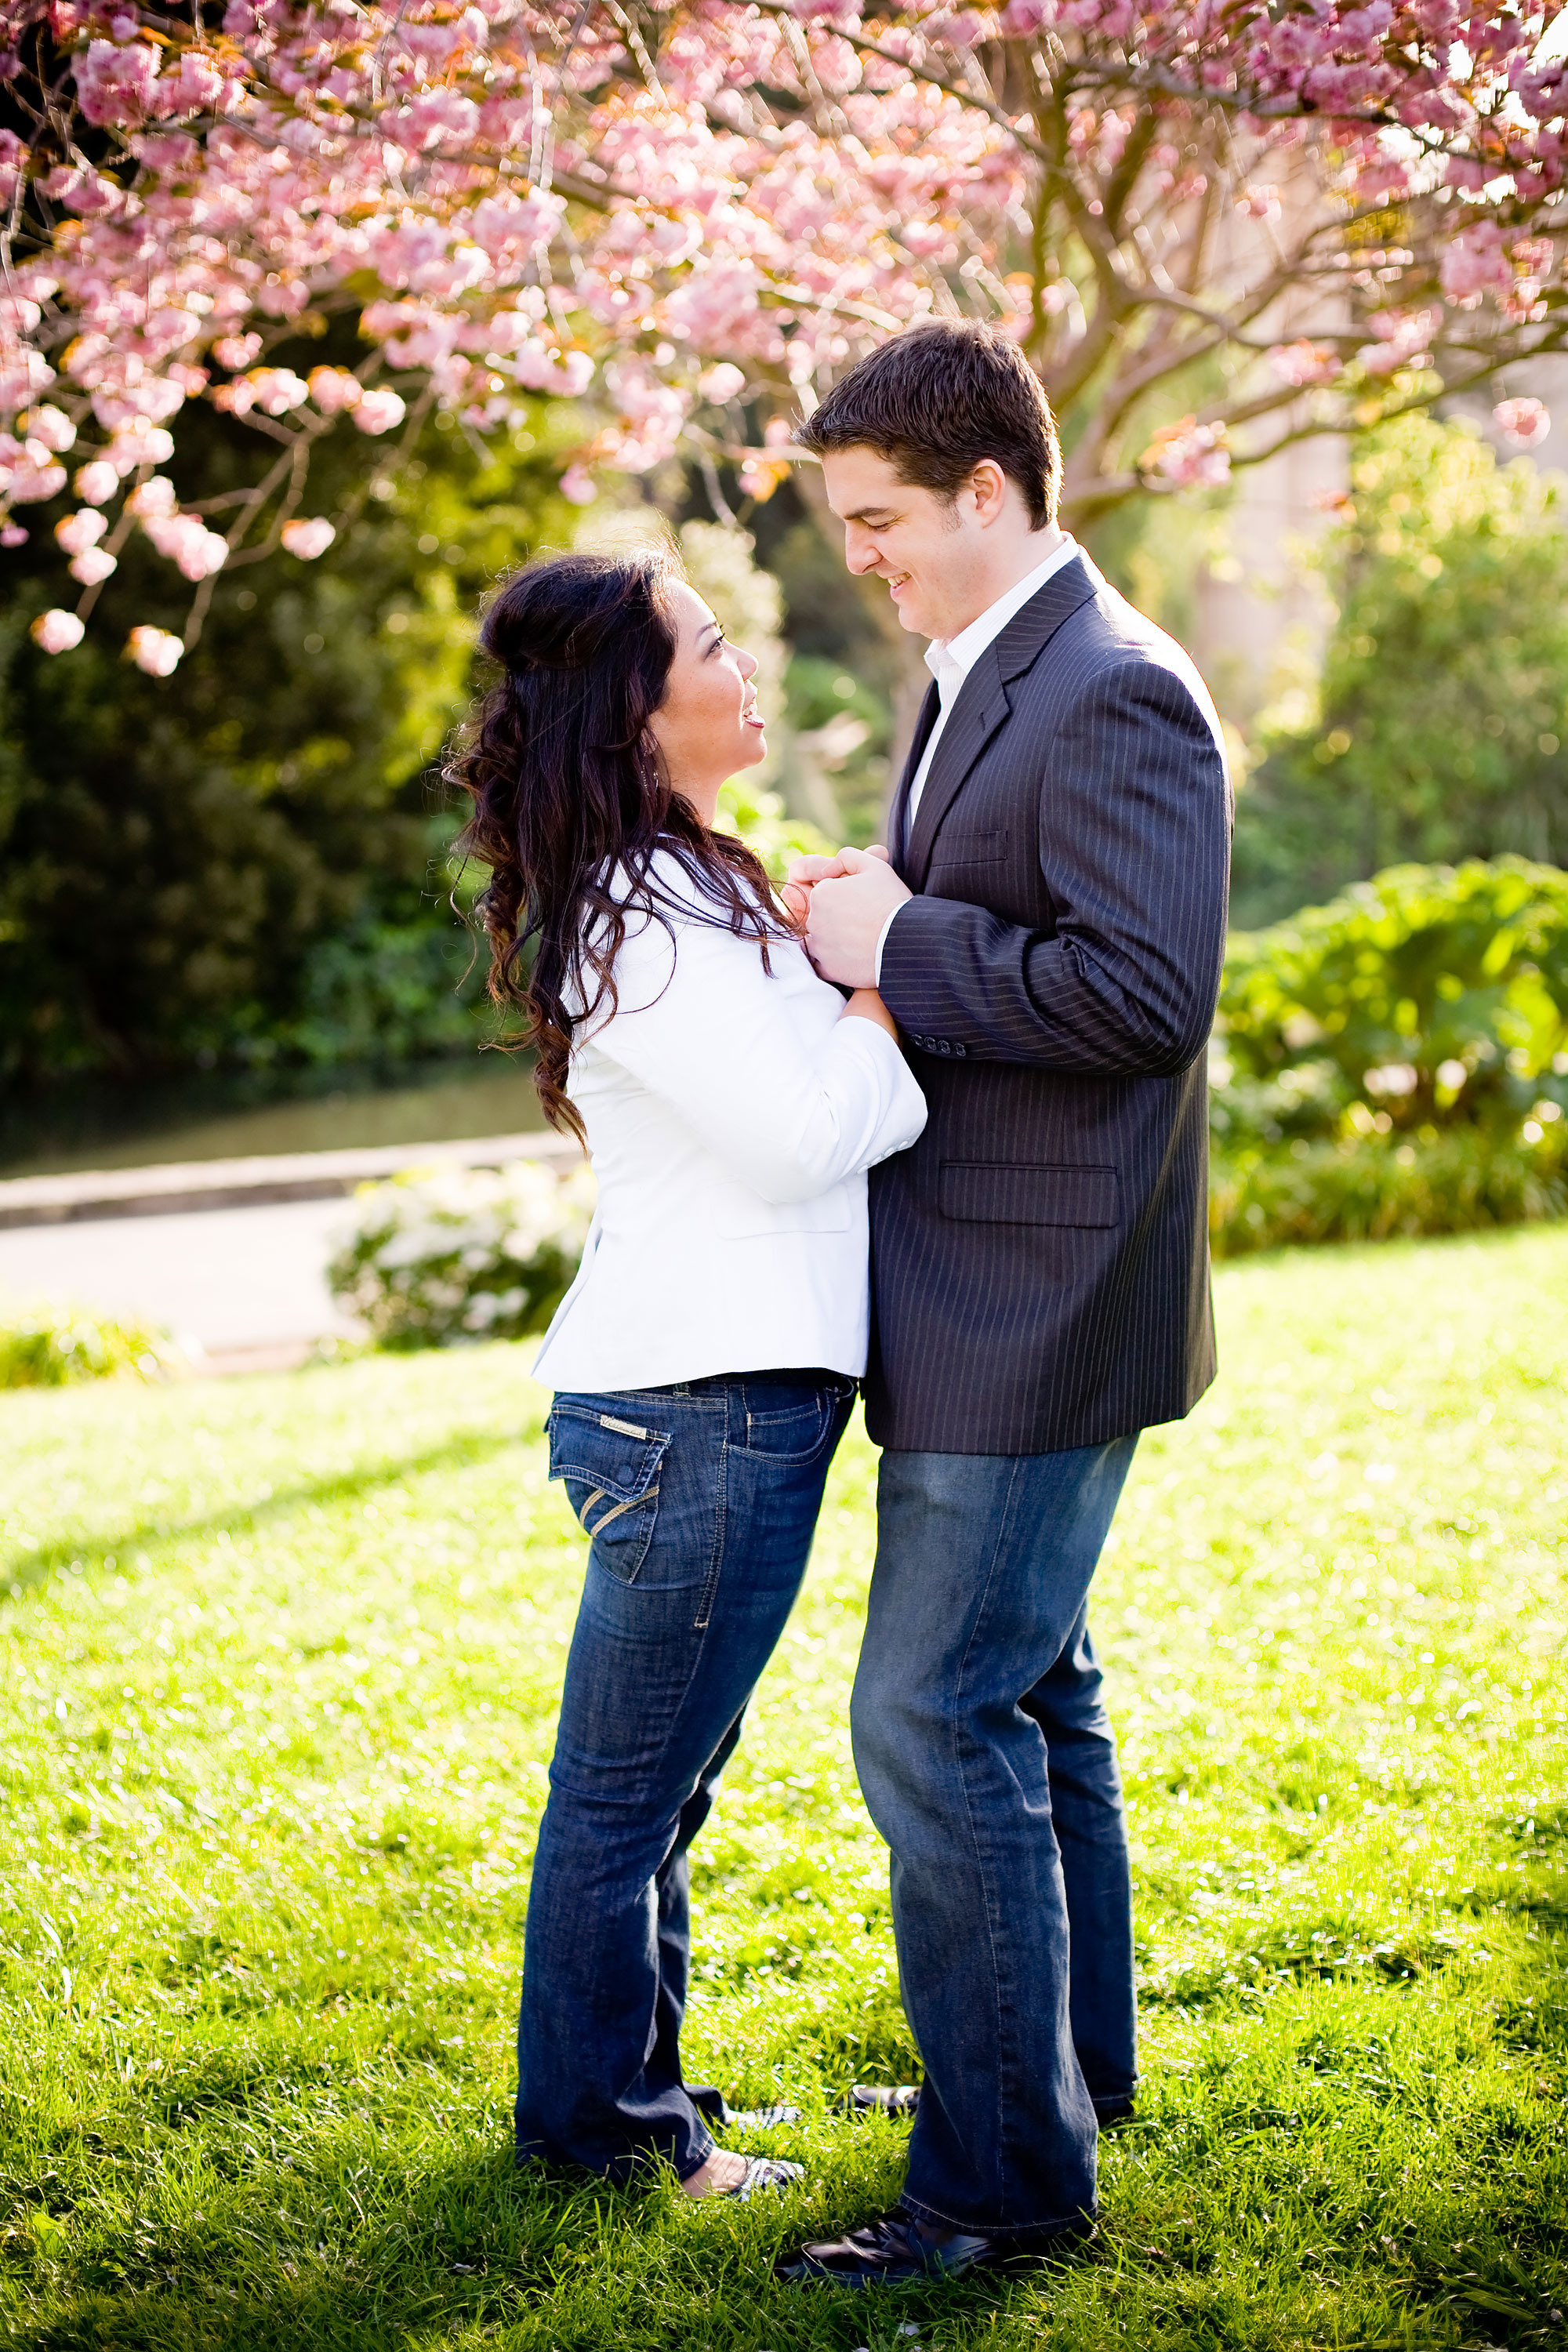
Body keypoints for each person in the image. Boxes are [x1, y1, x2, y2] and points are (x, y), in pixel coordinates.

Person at [777, 321, 1232, 2286]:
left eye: (883, 522)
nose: (860, 559)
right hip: (982, 1275)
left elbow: (1144, 999)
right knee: (1032, 1700)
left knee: (929, 1710)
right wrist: (874, 925)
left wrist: (906, 935)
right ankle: (1047, 2074)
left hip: (1037, 1299)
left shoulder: (1115, 687)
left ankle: (998, 2190)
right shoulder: (980, 667)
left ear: (990, 491)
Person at [452, 546, 927, 2203]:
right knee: (622, 1803)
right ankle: (603, 2138)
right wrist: (883, 985)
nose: (744, 662)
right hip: (696, 1415)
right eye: (712, 643)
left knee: (652, 1794)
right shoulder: (639, 918)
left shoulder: (682, 885)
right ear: (635, 711)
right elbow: (811, 1137)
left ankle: (625, 2106)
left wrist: (822, 942)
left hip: (719, 1407)